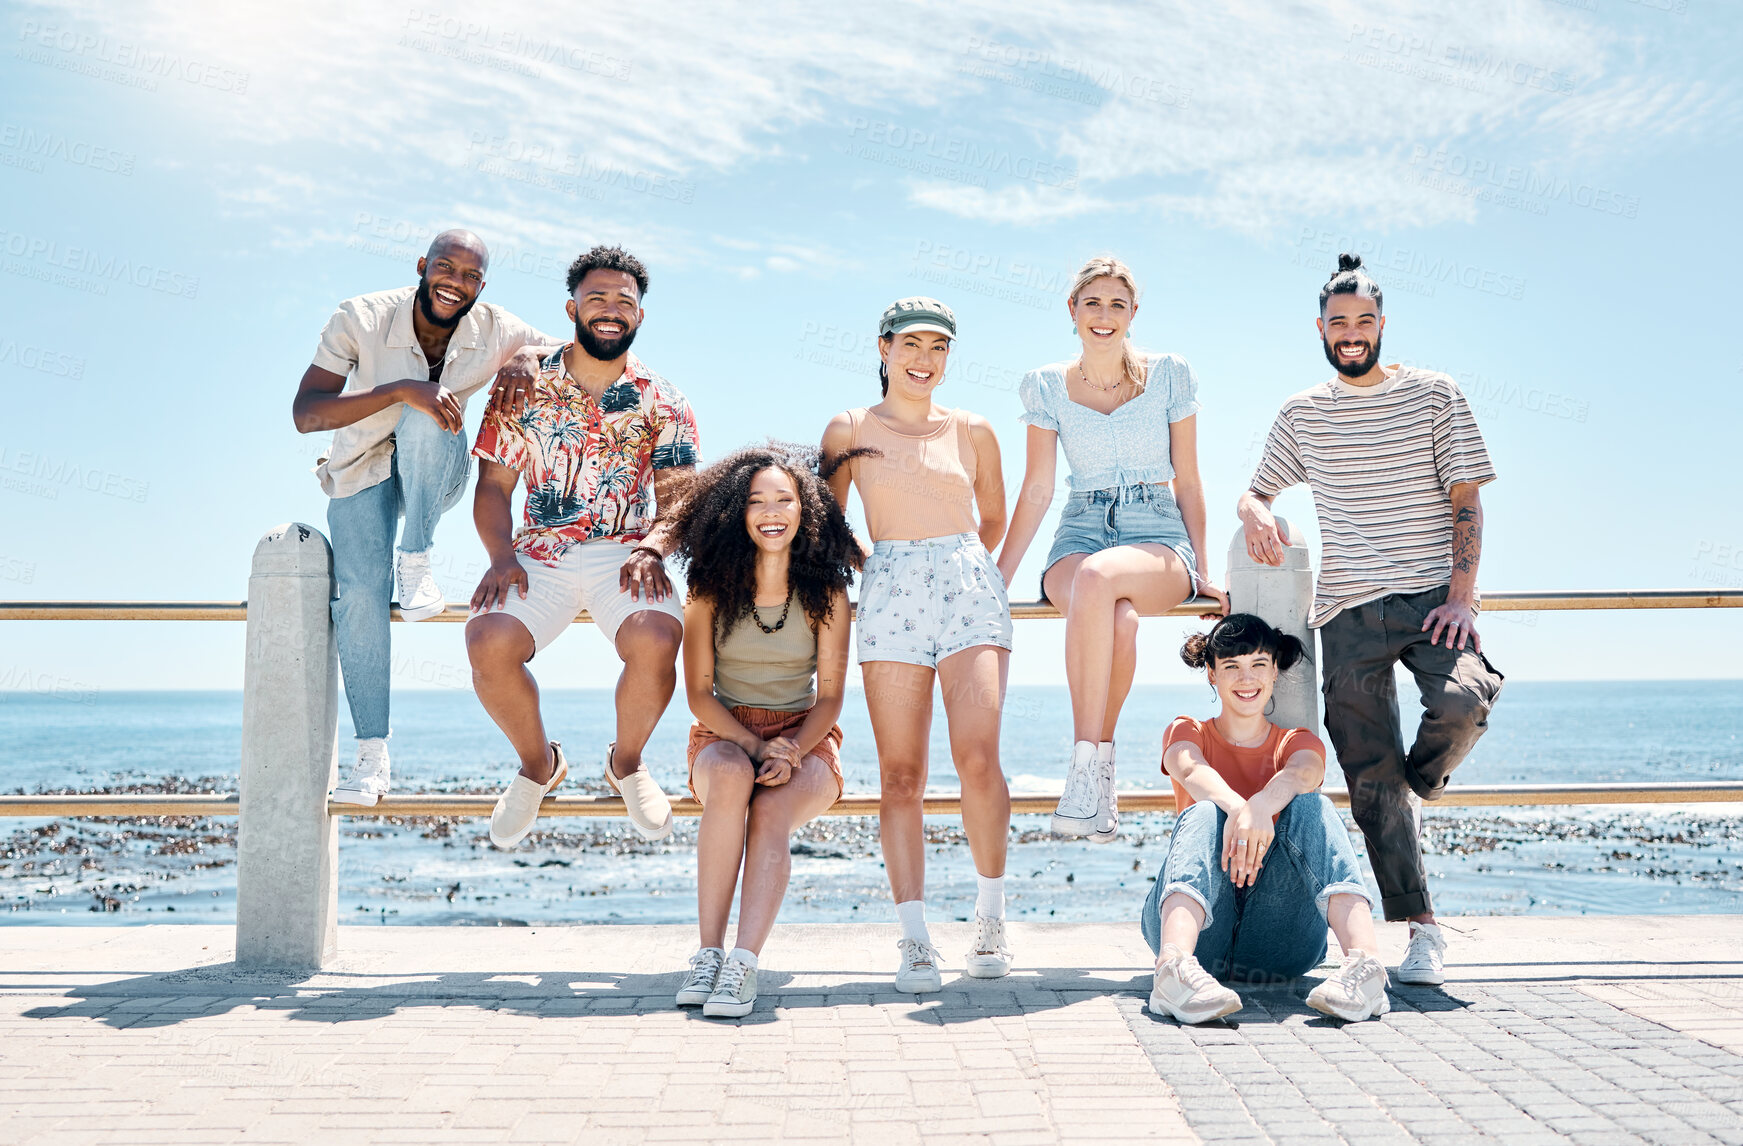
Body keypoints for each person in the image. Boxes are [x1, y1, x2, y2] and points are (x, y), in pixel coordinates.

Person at [1237, 253, 1503, 986]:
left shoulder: (1433, 395)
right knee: (1365, 778)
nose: (1350, 334)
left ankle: (1418, 780)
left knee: (1463, 701)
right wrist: (1258, 510)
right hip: (1346, 609)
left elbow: (1466, 501)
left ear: (1381, 325)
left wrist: (1461, 595)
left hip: (1429, 602)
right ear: (1320, 329)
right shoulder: (1302, 412)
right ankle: (1419, 930)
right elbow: (1253, 491)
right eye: (1337, 323)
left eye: (1362, 322)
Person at [292, 229, 554, 806]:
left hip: (439, 474)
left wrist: (532, 357)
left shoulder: (496, 328)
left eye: (469, 276)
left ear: (481, 287)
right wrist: (399, 389)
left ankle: (416, 560)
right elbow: (306, 414)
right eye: (445, 267)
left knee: (429, 414)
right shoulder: (359, 316)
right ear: (422, 265)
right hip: (360, 469)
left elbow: (574, 351)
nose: (454, 283)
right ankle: (371, 757)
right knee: (359, 593)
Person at [466, 244, 699, 848]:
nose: (610, 309)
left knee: (656, 636)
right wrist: (500, 557)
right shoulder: (524, 384)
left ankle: (626, 763)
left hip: (625, 548)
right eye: (596, 297)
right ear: (571, 306)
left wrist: (652, 548)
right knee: (487, 641)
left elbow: (677, 497)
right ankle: (539, 767)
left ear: (640, 315)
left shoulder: (664, 399)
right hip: (536, 552)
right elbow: (493, 485)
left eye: (625, 300)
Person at [821, 296, 1014, 992]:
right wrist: (885, 567)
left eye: (937, 347)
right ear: (882, 348)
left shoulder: (974, 430)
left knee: (978, 758)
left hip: (968, 591)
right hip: (890, 591)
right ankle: (913, 938)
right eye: (910, 345)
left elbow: (990, 516)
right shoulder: (848, 426)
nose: (922, 359)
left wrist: (953, 568)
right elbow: (827, 519)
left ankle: (990, 918)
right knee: (901, 774)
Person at [997, 255, 1225, 844]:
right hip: (1079, 530)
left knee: (1101, 581)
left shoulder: (1170, 374)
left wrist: (1203, 568)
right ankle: (1102, 768)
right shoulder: (1046, 384)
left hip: (1158, 532)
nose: (1104, 316)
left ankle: (1081, 766)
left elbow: (1191, 479)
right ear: (1071, 310)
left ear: (1133, 314)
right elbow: (1039, 488)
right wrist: (998, 574)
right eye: (1092, 303)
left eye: (1117, 305)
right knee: (1116, 618)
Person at [667, 444, 864, 1018]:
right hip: (723, 731)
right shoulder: (707, 587)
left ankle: (743, 965)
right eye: (757, 501)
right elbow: (700, 693)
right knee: (730, 780)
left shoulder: (826, 592)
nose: (771, 511)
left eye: (784, 499)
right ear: (737, 511)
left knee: (772, 810)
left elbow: (829, 698)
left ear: (806, 509)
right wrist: (754, 746)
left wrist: (793, 750)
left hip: (807, 737)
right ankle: (707, 954)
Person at [1142, 613, 1389, 1024]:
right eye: (1231, 667)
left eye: (1258, 664)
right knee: (1204, 810)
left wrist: (1261, 807)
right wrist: (1241, 810)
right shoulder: (1188, 731)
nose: (1246, 678)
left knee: (1314, 804)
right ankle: (1172, 972)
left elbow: (1301, 773)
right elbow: (1188, 769)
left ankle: (1366, 970)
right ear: (1211, 675)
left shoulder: (1295, 742)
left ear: (1274, 671)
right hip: (1202, 935)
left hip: (1281, 941)